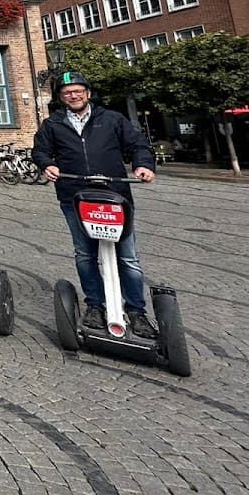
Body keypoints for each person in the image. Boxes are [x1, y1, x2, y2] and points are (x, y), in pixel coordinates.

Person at [32, 71, 158, 337]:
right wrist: (47, 164)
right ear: (60, 97)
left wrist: (143, 165)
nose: (73, 96)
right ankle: (95, 305)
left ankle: (136, 310)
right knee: (85, 255)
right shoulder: (53, 124)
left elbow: (137, 145)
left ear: (88, 93)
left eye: (78, 91)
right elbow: (40, 150)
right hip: (75, 197)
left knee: (128, 257)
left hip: (115, 197)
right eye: (67, 93)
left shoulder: (112, 119)